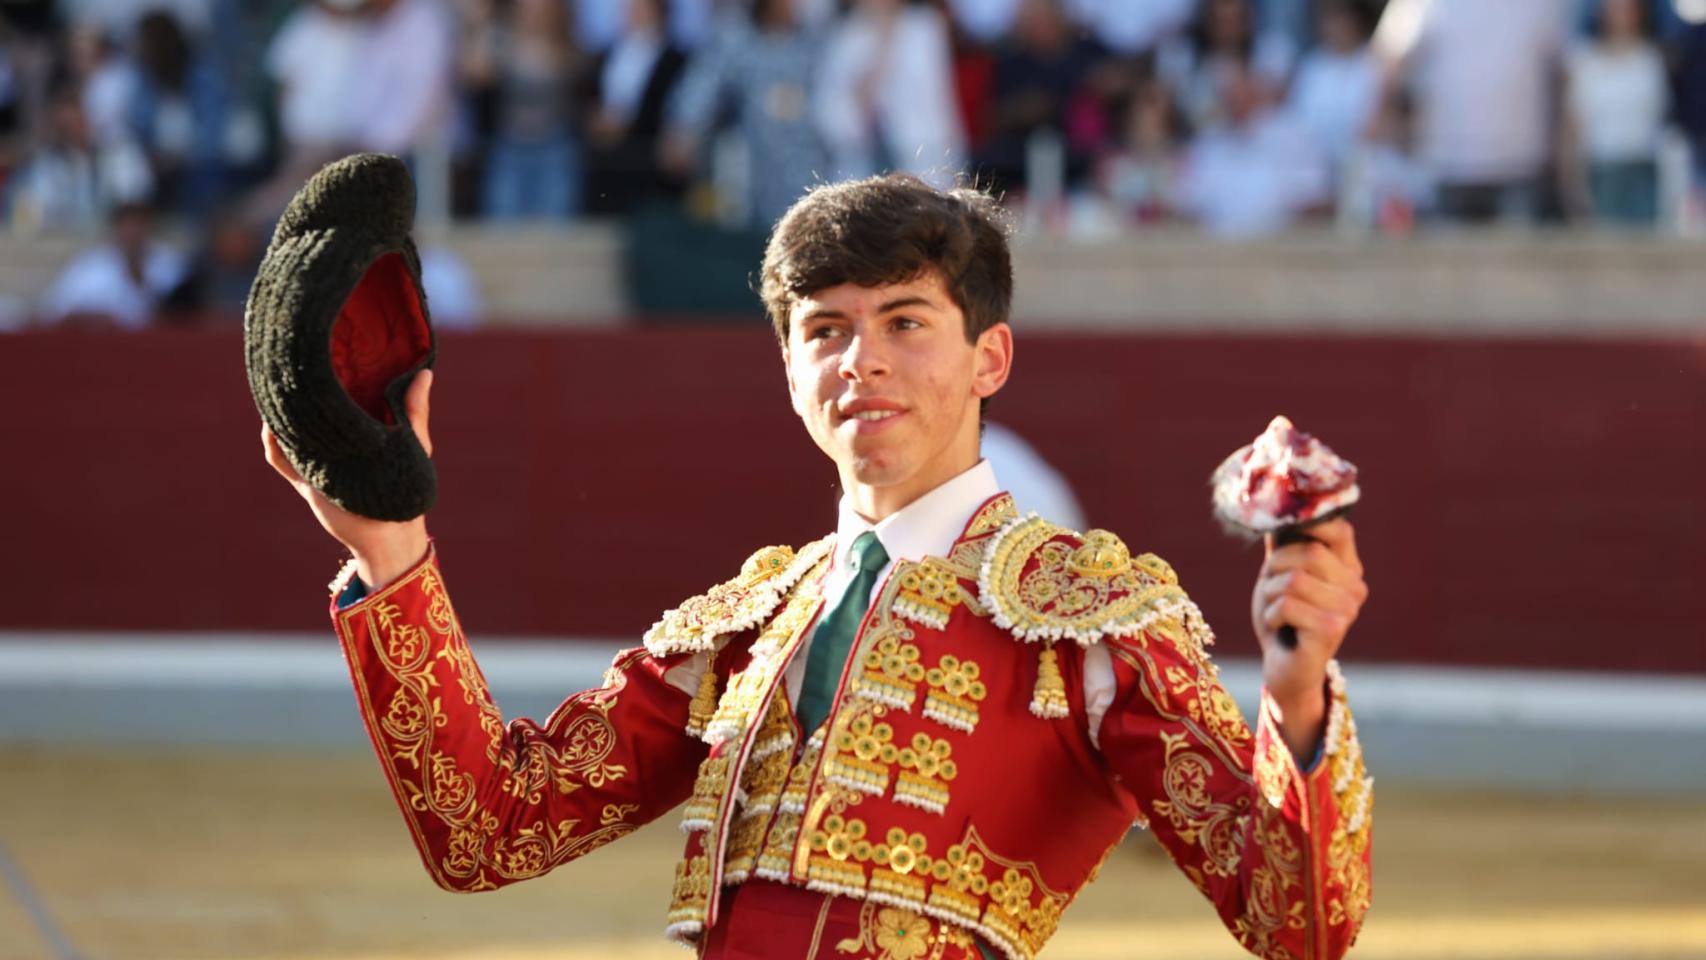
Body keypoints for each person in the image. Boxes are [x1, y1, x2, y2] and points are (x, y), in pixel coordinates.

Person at [261, 173, 1373, 959]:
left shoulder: (1085, 622)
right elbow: (490, 825)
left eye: (905, 322)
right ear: (787, 367)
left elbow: (1296, 925)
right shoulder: (748, 626)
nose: (861, 362)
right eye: (825, 330)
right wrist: (389, 550)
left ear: (989, 356)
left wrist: (1295, 697)